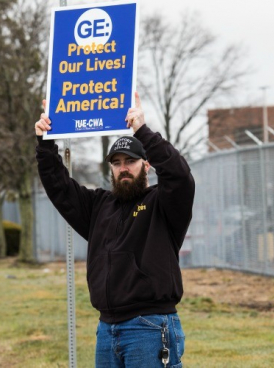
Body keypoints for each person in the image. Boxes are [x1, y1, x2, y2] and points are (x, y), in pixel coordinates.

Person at [34, 92, 195, 368]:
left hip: (150, 327)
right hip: (107, 330)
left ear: (146, 165)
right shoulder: (99, 206)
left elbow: (180, 176)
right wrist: (45, 142)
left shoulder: (162, 204)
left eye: (130, 161)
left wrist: (142, 131)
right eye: (117, 163)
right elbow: (59, 189)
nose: (123, 168)